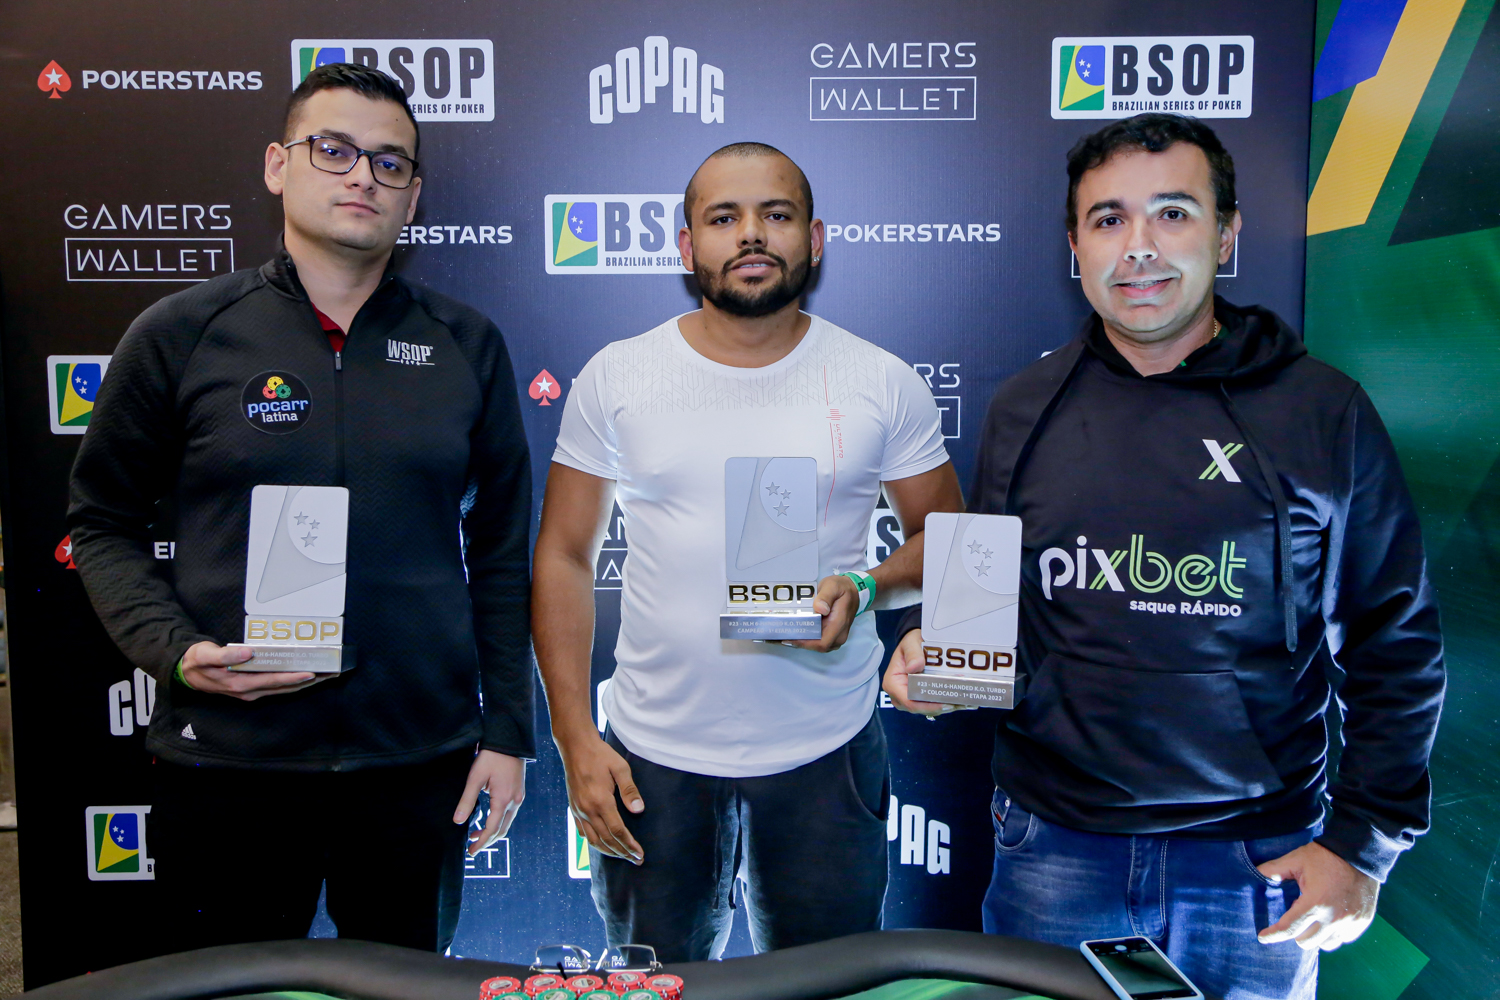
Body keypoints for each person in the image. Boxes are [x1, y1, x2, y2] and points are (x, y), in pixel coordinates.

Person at [884, 114, 1445, 1000]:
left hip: (1256, 864)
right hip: (1052, 850)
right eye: (1108, 219)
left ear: (1226, 234)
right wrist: (938, 660)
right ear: (1075, 245)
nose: (1138, 246)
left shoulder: (1322, 412)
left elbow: (1394, 640)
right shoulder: (1023, 407)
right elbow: (982, 627)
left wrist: (1362, 847)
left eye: (1173, 213)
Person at [66, 63, 533, 953]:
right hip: (230, 760)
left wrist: (507, 730)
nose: (363, 176)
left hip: (416, 764)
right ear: (279, 166)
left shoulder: (466, 344)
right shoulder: (181, 333)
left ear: (413, 196)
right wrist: (174, 651)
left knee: (406, 986)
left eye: (390, 163)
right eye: (334, 150)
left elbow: (504, 549)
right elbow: (101, 521)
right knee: (233, 987)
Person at [533, 142, 964, 961]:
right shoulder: (618, 376)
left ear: (816, 238)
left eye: (777, 214)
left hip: (827, 751)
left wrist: (865, 586)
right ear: (687, 245)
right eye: (724, 217)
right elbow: (563, 556)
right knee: (658, 983)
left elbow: (946, 540)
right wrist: (574, 737)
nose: (752, 234)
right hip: (651, 754)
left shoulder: (880, 380)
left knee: (823, 984)